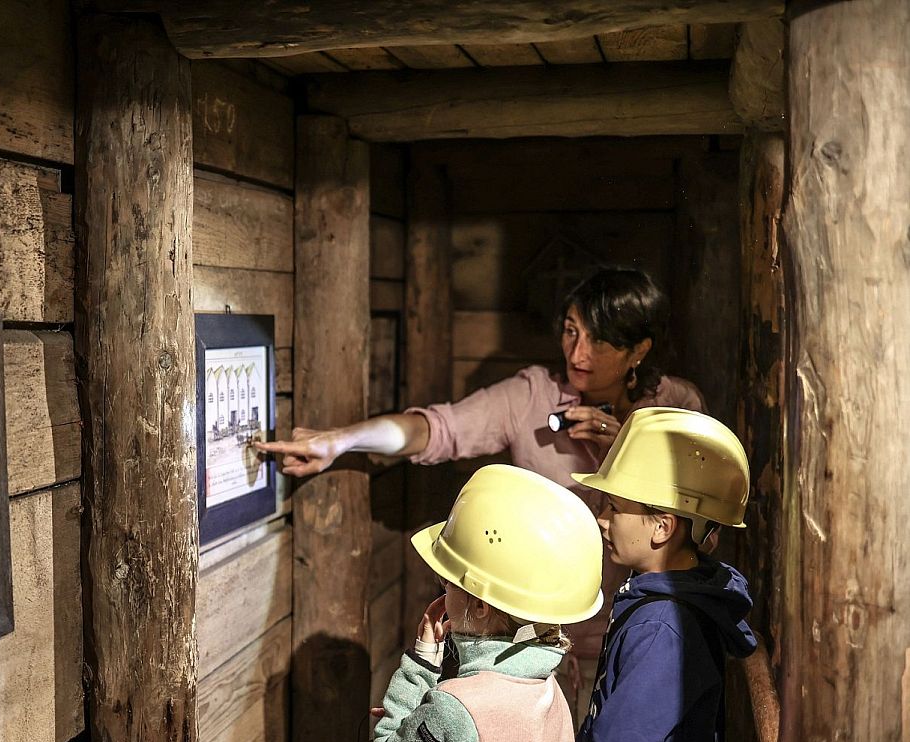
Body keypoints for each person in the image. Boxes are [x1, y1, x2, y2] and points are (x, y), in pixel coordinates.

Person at [256, 268, 705, 718]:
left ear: (638, 350)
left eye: (599, 340)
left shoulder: (677, 408)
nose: (578, 351)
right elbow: (437, 428)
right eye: (571, 331)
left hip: (644, 641)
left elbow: (696, 524)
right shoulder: (532, 397)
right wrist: (340, 441)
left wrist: (626, 446)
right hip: (538, 652)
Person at [366, 464, 603, 742]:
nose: (444, 588)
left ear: (479, 605)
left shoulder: (452, 709)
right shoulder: (548, 690)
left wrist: (419, 667)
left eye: (449, 581)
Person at [571, 407, 757, 742]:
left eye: (615, 508)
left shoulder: (661, 628)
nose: (602, 520)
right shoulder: (667, 603)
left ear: (663, 527)